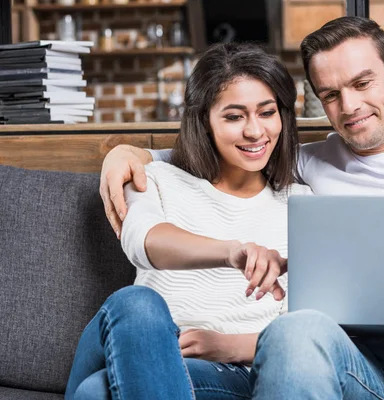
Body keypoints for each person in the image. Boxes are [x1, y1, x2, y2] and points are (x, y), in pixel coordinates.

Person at [98, 17, 384, 400]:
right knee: (295, 331)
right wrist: (130, 154)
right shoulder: (309, 161)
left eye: (364, 83)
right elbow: (224, 150)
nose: (351, 107)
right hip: (350, 362)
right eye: (331, 95)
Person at [65, 42, 312, 400]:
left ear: (283, 117)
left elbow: (312, 332)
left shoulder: (302, 204)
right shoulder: (156, 179)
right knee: (134, 304)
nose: (255, 131)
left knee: (96, 391)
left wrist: (227, 345)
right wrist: (232, 252)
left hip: (234, 373)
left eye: (267, 112)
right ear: (205, 121)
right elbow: (142, 240)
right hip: (148, 343)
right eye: (234, 116)